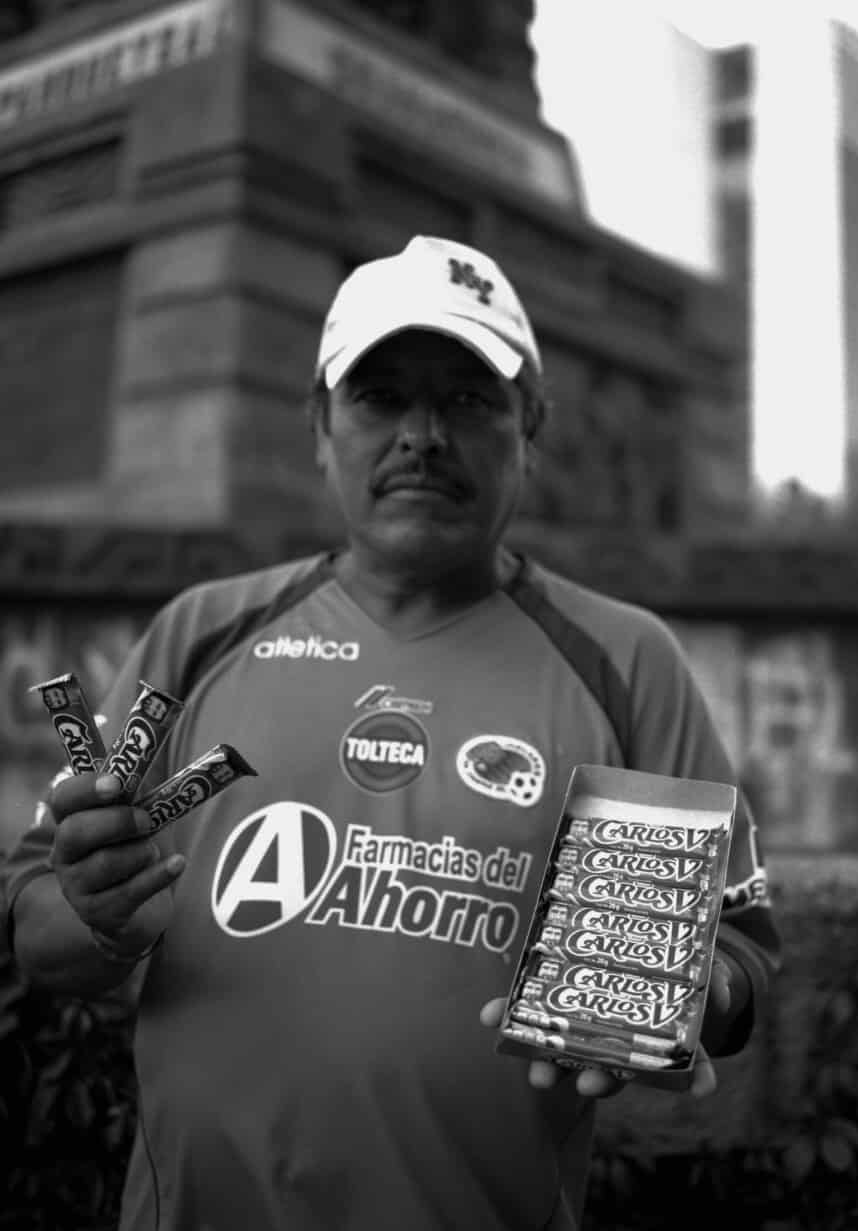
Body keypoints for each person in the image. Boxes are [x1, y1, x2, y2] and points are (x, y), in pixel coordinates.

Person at [3, 235, 781, 1231]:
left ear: (527, 433)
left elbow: (740, 952)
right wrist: (96, 913)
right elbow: (40, 927)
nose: (422, 435)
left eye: (466, 399)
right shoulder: (200, 635)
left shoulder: (625, 664)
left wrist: (671, 990)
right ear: (321, 430)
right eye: (379, 398)